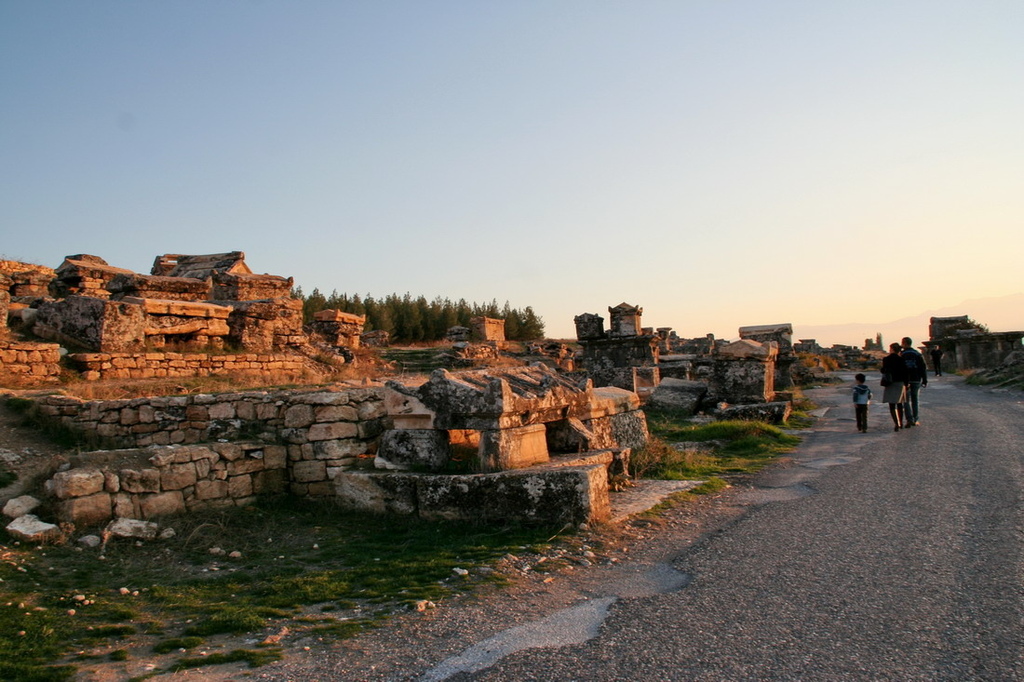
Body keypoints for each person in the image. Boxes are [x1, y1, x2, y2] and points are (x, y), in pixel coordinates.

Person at [901, 336, 928, 427]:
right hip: (916, 379)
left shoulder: (902, 355)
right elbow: (923, 368)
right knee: (915, 400)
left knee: (906, 401)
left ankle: (909, 419)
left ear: (904, 343)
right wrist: (924, 380)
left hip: (905, 380)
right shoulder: (917, 354)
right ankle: (916, 419)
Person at [881, 342, 907, 431]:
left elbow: (883, 370)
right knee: (900, 403)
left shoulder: (886, 359)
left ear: (892, 349)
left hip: (890, 382)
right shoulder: (901, 359)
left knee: (892, 404)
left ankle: (896, 423)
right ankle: (901, 422)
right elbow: (905, 372)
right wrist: (906, 383)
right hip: (900, 382)